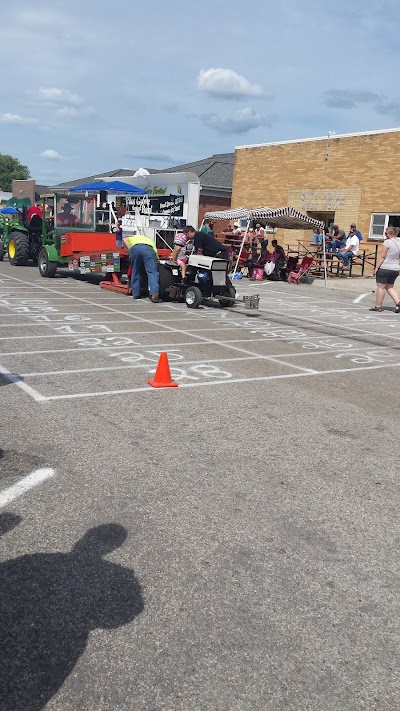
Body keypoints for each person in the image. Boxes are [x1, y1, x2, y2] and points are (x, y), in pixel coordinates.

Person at [122, 232, 160, 302]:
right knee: (152, 272)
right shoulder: (150, 241)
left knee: (136, 271)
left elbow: (124, 239)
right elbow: (155, 254)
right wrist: (157, 260)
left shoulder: (133, 238)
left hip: (135, 248)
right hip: (148, 249)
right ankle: (154, 294)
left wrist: (131, 250)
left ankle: (136, 293)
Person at [369, 226, 400, 312]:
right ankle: (398, 303)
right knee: (390, 286)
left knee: (381, 287)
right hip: (395, 268)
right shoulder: (399, 242)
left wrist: (376, 267)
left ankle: (378, 306)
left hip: (385, 267)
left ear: (390, 234)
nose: (385, 235)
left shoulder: (387, 242)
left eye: (386, 233)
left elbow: (382, 256)